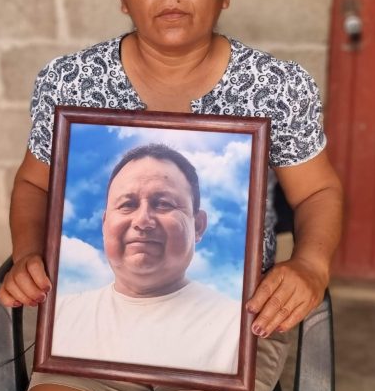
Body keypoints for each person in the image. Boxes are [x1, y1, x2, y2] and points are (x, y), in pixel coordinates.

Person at [0, 0, 344, 391]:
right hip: (96, 334)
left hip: (229, 330)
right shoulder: (71, 82)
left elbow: (318, 192)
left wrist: (310, 265)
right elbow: (34, 186)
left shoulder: (277, 87)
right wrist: (27, 253)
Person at [52, 143, 242, 374]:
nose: (142, 221)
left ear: (199, 225)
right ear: (104, 225)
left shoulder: (235, 326)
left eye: (163, 204)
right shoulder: (63, 315)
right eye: (127, 205)